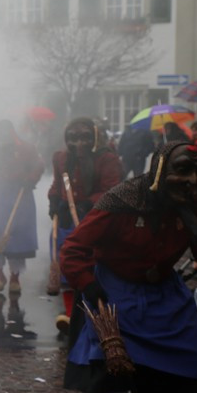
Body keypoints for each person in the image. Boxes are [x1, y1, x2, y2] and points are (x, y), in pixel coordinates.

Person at [61, 142, 197, 393]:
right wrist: (89, 285)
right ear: (160, 170)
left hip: (163, 289)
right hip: (115, 287)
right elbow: (73, 248)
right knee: (111, 359)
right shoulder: (121, 201)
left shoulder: (194, 208)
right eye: (183, 171)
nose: (192, 181)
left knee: (189, 356)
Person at [48, 118, 123, 332]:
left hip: (95, 219)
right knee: (67, 263)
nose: (79, 143)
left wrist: (88, 204)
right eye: (73, 138)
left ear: (95, 137)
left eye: (84, 138)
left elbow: (112, 188)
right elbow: (57, 184)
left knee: (92, 265)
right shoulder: (61, 158)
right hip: (65, 218)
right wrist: (54, 201)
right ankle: (71, 313)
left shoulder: (107, 159)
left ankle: (97, 310)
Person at [0, 120, 44, 293]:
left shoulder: (27, 148)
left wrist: (31, 180)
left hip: (20, 195)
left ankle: (15, 277)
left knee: (17, 237)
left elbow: (39, 166)